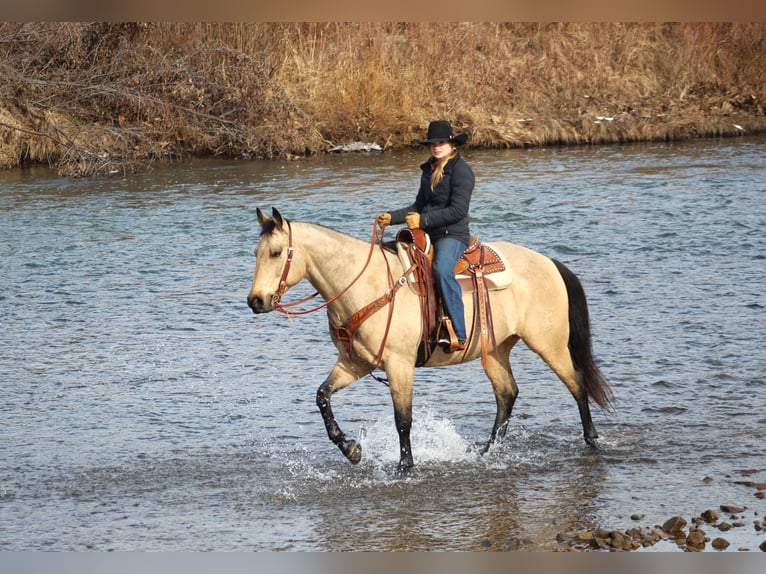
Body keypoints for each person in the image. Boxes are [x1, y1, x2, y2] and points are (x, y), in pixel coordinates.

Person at [377, 120, 475, 352]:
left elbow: (458, 210)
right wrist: (393, 217)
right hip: (427, 232)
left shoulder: (462, 171)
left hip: (452, 234)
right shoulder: (429, 169)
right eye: (433, 143)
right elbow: (418, 205)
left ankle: (459, 334)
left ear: (452, 145)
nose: (436, 147)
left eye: (441, 143)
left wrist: (423, 221)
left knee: (442, 269)